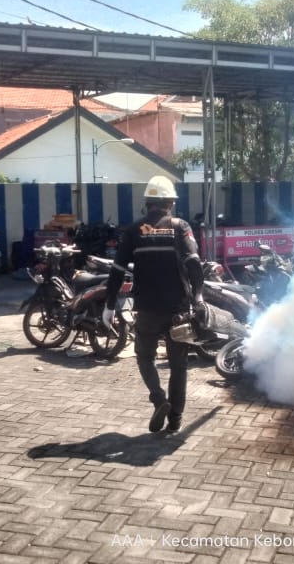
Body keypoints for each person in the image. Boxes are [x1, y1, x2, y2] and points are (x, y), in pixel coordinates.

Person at [103, 175, 204, 433]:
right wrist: (199, 297)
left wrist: (109, 304)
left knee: (144, 357)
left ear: (147, 203)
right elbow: (194, 263)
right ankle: (175, 419)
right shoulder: (181, 226)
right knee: (178, 364)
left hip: (147, 308)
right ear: (170, 202)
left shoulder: (133, 230)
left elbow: (116, 269)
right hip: (178, 309)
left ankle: (159, 399)